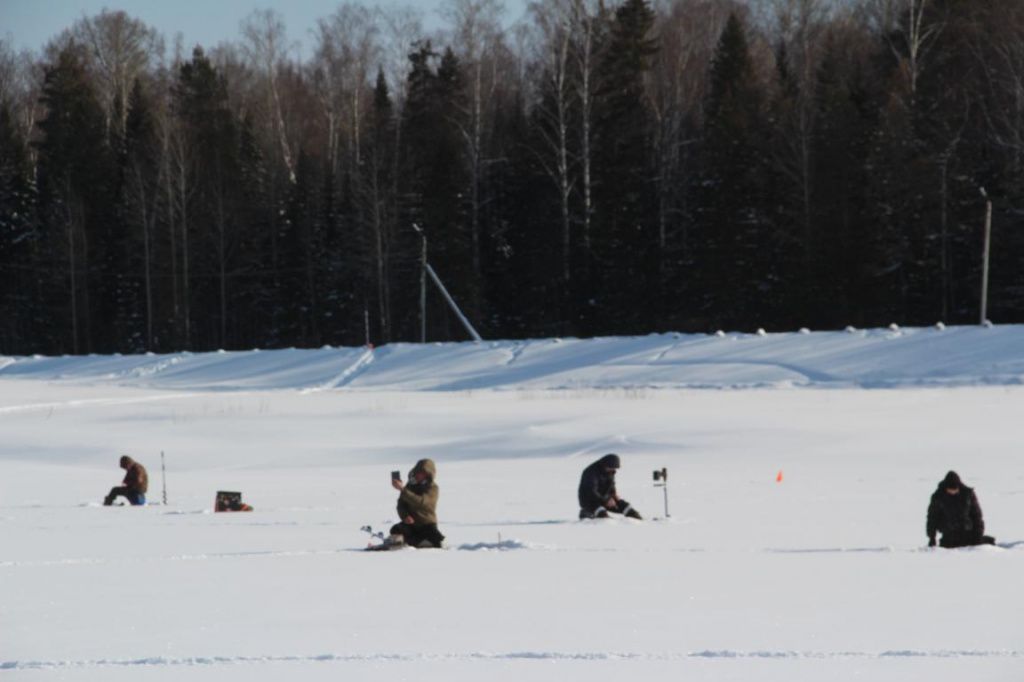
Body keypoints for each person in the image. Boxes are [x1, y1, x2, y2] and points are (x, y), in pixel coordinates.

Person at [926, 470, 995, 548]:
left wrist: (978, 533)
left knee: (983, 543)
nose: (953, 492)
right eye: (950, 489)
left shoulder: (968, 494)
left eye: (955, 489)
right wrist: (932, 537)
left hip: (968, 532)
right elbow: (932, 518)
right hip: (949, 535)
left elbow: (977, 515)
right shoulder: (938, 497)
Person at [386, 459, 445, 548]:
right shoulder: (410, 485)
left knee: (437, 540)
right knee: (395, 529)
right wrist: (405, 516)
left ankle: (418, 543)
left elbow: (422, 502)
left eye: (422, 473)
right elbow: (401, 505)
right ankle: (407, 542)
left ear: (428, 475)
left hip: (426, 524)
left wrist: (403, 490)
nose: (419, 474)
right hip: (412, 524)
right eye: (418, 472)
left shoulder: (433, 488)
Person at [578, 453, 642, 520]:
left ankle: (638, 519)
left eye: (614, 468)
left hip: (605, 498)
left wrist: (614, 495)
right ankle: (586, 513)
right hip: (589, 500)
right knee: (602, 515)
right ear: (605, 465)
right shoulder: (590, 472)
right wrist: (606, 500)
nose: (613, 470)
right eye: (612, 468)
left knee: (625, 506)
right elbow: (591, 491)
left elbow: (611, 485)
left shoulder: (610, 471)